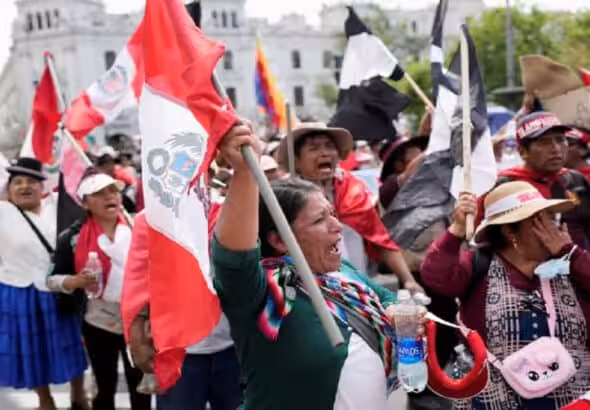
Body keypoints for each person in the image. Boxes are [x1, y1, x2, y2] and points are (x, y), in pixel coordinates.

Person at [212, 124, 425, 409]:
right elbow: (233, 259)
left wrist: (398, 312)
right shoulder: (260, 290)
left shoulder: (342, 274)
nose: (337, 227)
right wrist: (244, 173)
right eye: (319, 220)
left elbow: (383, 297)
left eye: (333, 215)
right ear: (278, 239)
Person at [422, 181, 590, 409]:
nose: (552, 229)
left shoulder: (570, 264)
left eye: (551, 218)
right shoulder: (478, 265)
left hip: (571, 400)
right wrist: (457, 229)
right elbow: (436, 275)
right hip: (493, 401)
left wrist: (571, 253)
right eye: (538, 221)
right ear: (510, 231)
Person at [48, 167, 150, 410]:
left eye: (112, 191)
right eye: (99, 193)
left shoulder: (139, 229)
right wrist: (73, 282)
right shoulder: (71, 238)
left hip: (138, 321)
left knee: (141, 385)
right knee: (105, 386)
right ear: (85, 203)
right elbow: (51, 279)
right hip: (98, 322)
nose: (110, 197)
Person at [277, 122, 422, 293]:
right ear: (297, 161)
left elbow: (379, 238)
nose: (324, 152)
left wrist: (408, 280)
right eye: (314, 148)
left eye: (330, 146)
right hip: (309, 288)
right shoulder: (284, 198)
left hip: (357, 288)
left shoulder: (354, 190)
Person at [122, 212, 243, 410]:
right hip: (178, 353)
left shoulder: (226, 209)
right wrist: (137, 339)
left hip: (231, 348)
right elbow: (139, 279)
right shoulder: (154, 215)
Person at [0, 157, 88, 410]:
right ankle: (45, 400)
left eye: (31, 182)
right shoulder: (3, 212)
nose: (24, 187)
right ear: (9, 188)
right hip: (18, 292)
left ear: (43, 187)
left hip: (59, 290)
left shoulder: (59, 206)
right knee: (31, 349)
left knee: (69, 344)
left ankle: (79, 395)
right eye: (17, 182)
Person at [478, 111, 590, 249]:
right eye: (544, 142)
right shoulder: (504, 186)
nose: (556, 149)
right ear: (523, 152)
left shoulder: (575, 180)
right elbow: (480, 237)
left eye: (560, 140)